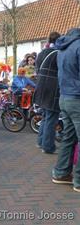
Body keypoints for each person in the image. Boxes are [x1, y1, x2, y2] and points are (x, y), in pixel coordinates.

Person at [52, 28, 80, 193]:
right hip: (77, 99)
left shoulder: (62, 48)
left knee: (68, 137)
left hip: (65, 98)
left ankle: (61, 173)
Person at [34, 31, 61, 154]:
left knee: (45, 116)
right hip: (52, 89)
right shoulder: (58, 53)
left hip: (41, 87)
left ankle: (40, 142)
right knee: (51, 118)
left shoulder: (41, 53)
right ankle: (48, 146)